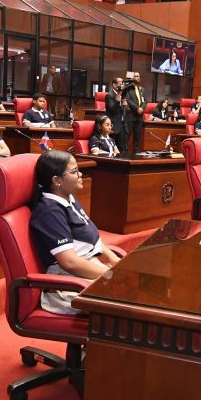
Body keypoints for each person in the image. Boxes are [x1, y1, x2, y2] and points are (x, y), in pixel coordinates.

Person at [29, 150, 121, 314]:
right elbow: (69, 262)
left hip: (87, 267)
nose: (80, 174)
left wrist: (116, 262)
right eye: (74, 172)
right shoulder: (50, 212)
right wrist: (112, 274)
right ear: (57, 180)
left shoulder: (68, 198)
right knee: (130, 301)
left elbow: (93, 239)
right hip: (68, 280)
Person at [123, 72, 146, 153]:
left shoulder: (142, 89)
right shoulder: (128, 89)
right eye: (136, 76)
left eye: (139, 76)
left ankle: (136, 153)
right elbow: (128, 100)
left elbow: (145, 101)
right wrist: (137, 108)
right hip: (131, 115)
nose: (138, 77)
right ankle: (124, 153)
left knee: (137, 137)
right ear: (132, 78)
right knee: (127, 136)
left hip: (139, 116)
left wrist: (142, 108)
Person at [105, 77, 127, 153]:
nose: (122, 84)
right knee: (113, 147)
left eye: (122, 83)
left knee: (122, 147)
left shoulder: (122, 94)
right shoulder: (110, 95)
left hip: (121, 124)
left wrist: (124, 105)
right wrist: (118, 99)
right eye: (120, 83)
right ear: (114, 85)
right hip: (113, 125)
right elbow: (113, 110)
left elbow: (122, 110)